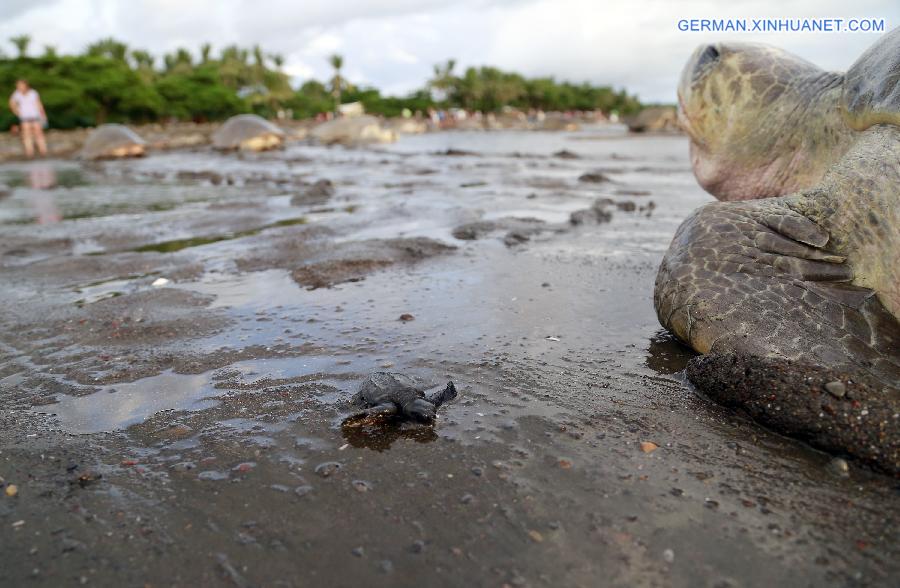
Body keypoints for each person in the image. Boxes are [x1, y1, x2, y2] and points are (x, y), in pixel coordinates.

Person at [8, 79, 48, 158]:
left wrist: (43, 114)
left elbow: (38, 104)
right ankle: (30, 152)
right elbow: (11, 103)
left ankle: (43, 151)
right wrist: (17, 112)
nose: (19, 87)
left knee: (39, 133)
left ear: (26, 85)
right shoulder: (16, 94)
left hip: (35, 116)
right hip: (24, 117)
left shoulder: (33, 93)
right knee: (27, 135)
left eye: (20, 85)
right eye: (18, 86)